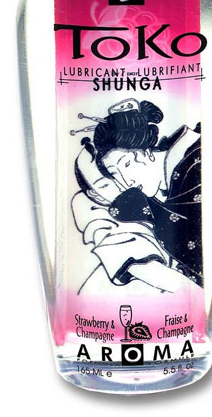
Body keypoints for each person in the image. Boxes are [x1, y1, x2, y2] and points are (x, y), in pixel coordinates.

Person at [93, 99, 203, 286]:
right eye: (115, 175)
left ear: (148, 152)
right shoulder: (170, 185)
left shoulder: (196, 162)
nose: (126, 183)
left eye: (126, 164)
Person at [72, 139, 196, 295]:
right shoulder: (103, 222)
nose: (121, 185)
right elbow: (148, 270)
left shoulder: (159, 186)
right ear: (94, 195)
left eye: (125, 167)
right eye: (105, 185)